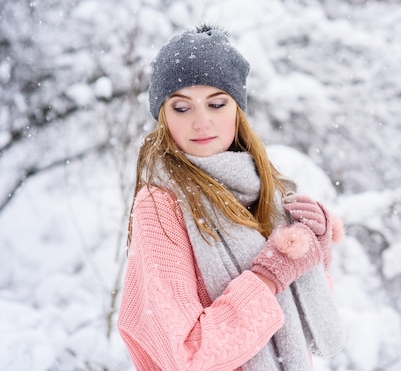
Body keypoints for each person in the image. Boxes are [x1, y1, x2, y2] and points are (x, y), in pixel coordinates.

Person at [117, 24, 345, 370]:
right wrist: (269, 275)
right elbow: (188, 356)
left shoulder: (265, 190)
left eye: (217, 103)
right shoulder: (161, 204)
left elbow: (305, 332)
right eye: (182, 108)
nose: (201, 122)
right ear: (163, 117)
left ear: (237, 110)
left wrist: (314, 251)